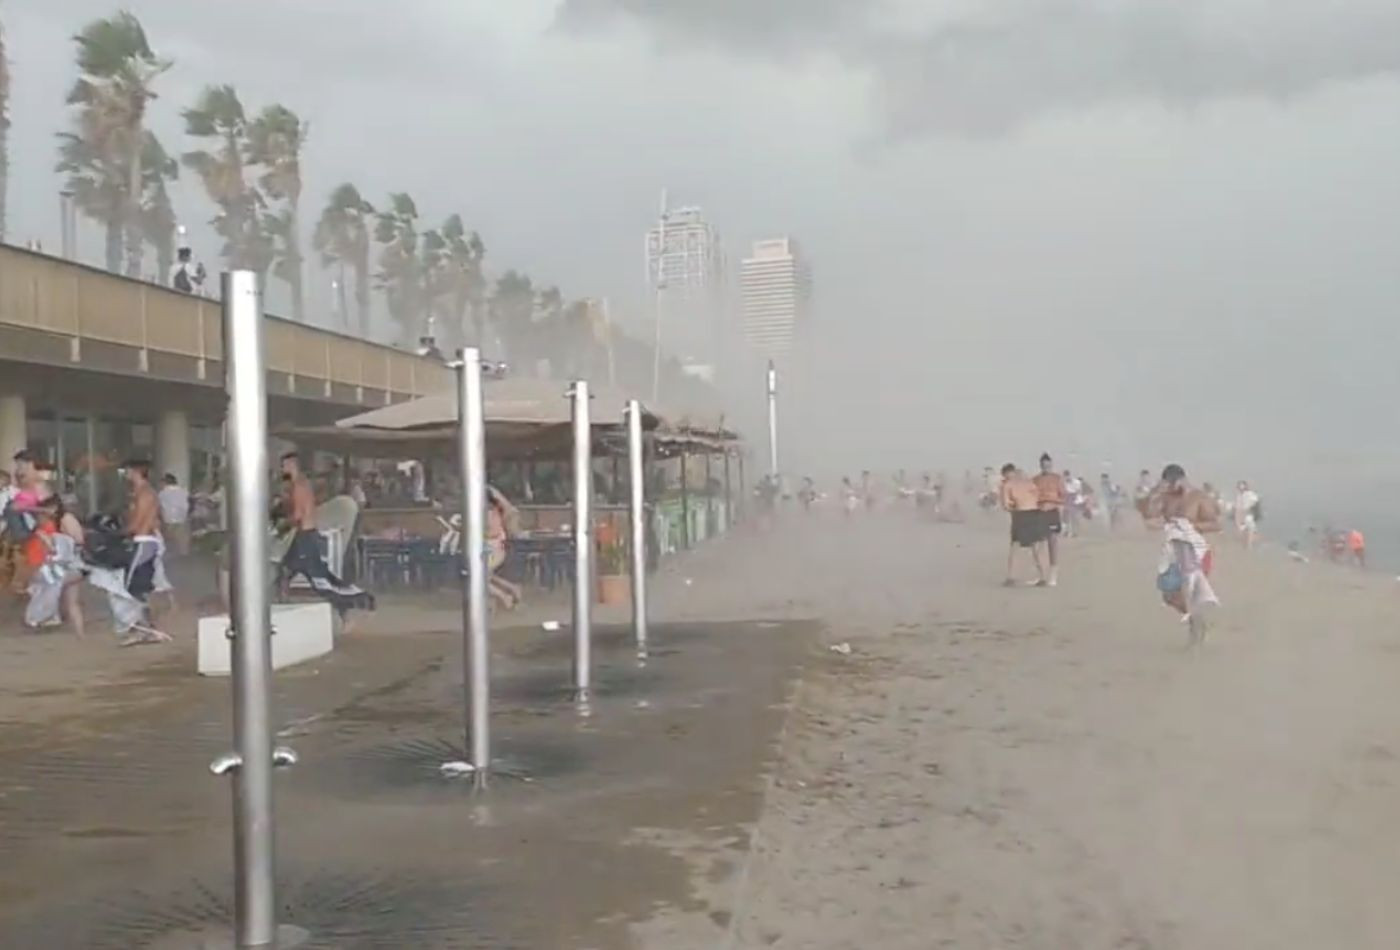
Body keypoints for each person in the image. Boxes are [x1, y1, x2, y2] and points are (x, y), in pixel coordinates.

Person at [276, 452, 374, 621]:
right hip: (303, 537)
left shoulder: (298, 485)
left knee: (321, 582)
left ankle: (355, 602)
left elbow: (300, 514)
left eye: (284, 466)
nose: (282, 469)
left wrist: (283, 525)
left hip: (305, 538)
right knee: (285, 571)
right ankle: (281, 607)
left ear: (293, 465)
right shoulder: (300, 484)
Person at [1147, 464, 1222, 646]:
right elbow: (1150, 515)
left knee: (1188, 589)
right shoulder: (1167, 498)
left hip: (1195, 550)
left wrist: (1192, 526)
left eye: (1171, 485)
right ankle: (1195, 620)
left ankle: (1196, 630)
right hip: (1173, 550)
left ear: (1181, 480)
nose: (1170, 489)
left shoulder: (1199, 498)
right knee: (1168, 593)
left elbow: (1215, 524)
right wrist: (1156, 493)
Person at [23, 495, 86, 635]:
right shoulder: (60, 521)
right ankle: (80, 635)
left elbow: (77, 541)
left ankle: (44, 616)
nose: (44, 514)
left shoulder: (65, 519)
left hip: (73, 564)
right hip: (74, 565)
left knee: (47, 581)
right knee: (71, 602)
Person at [999, 462, 1048, 587]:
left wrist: (1013, 508)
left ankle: (1011, 577)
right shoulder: (1029, 482)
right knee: (1036, 547)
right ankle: (1043, 577)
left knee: (1015, 547)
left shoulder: (1007, 484)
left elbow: (1006, 505)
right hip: (1035, 514)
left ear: (1006, 474)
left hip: (1021, 514)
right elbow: (1038, 497)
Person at [486, 485, 523, 610]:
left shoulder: (491, 512)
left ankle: (504, 597)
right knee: (485, 575)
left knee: (477, 578)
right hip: (490, 547)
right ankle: (512, 588)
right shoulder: (490, 511)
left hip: (494, 548)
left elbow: (489, 532)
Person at [1032, 454, 1065, 586]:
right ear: (1040, 465)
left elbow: (1063, 497)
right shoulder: (1035, 479)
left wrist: (1051, 501)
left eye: (1048, 465)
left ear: (1051, 465)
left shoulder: (1057, 479)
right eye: (1043, 465)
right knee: (1038, 543)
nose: (1046, 468)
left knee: (1052, 542)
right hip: (1039, 512)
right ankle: (1041, 574)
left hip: (1052, 511)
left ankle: (1053, 573)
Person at [158, 473, 190, 556]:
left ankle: (170, 555)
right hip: (182, 518)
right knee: (182, 540)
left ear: (165, 482)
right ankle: (183, 556)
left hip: (168, 519)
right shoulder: (184, 491)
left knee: (168, 540)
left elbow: (160, 506)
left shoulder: (163, 493)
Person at [1233, 480, 1261, 550]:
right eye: (1239, 486)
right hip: (1242, 514)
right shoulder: (1239, 496)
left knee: (1249, 529)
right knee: (1244, 530)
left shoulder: (1250, 494)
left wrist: (1253, 512)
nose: (1240, 488)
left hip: (1248, 514)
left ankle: (1249, 545)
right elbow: (1237, 508)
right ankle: (1247, 544)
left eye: (1241, 486)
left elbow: (1256, 503)